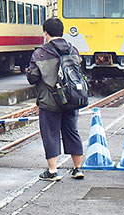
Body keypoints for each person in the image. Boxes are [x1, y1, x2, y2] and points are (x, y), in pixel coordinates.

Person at [26, 17, 85, 182]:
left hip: (50, 100)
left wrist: (29, 72)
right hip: (72, 99)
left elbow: (33, 77)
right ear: (62, 32)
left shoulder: (41, 53)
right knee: (72, 132)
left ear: (46, 33)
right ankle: (77, 168)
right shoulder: (72, 50)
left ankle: (53, 171)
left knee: (50, 133)